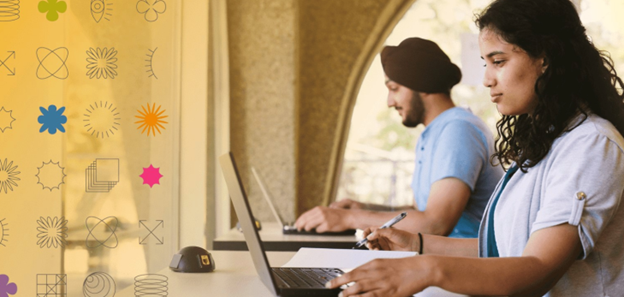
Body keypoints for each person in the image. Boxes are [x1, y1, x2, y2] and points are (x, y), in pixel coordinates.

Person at [326, 0, 624, 296]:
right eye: (485, 63)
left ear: (545, 59)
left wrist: (427, 268)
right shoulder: (546, 142)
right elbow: (504, 249)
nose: (486, 79)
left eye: (499, 61)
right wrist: (416, 245)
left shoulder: (591, 144)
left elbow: (537, 268)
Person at [295, 38, 503, 238]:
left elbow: (434, 224)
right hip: (441, 263)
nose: (389, 102)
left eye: (394, 89)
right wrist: (363, 209)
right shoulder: (434, 133)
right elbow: (417, 212)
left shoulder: (458, 130)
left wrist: (348, 218)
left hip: (467, 268)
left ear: (421, 84)